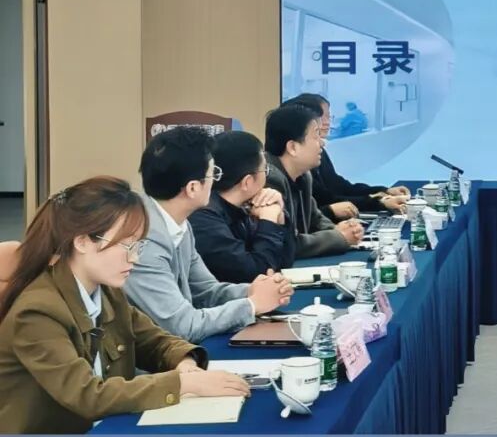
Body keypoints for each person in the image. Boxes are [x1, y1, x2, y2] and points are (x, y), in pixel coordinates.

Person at [0, 177, 250, 434]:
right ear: (82, 241)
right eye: (127, 245)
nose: (135, 257)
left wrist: (184, 362)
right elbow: (87, 395)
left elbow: (152, 341)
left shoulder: (107, 291)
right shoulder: (37, 312)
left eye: (139, 244)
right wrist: (183, 384)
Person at [124, 127, 294, 343]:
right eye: (213, 174)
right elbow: (183, 326)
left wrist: (253, 291)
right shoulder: (143, 241)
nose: (216, 182)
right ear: (193, 188)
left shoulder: (178, 223)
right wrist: (252, 305)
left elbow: (206, 292)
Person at [189, 131, 297, 283]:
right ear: (247, 182)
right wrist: (268, 221)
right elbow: (258, 274)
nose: (267, 176)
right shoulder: (204, 218)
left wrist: (279, 217)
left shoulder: (243, 205)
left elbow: (285, 263)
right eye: (265, 170)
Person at [283, 94, 408, 221]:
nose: (327, 122)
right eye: (321, 117)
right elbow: (325, 201)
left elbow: (341, 187)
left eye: (328, 116)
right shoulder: (284, 176)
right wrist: (379, 201)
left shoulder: (316, 155)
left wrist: (384, 191)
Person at [265, 103, 363, 257]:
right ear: (292, 147)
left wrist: (341, 230)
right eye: (316, 136)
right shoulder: (269, 179)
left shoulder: (303, 176)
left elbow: (315, 219)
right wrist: (339, 237)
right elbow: (286, 243)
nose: (322, 143)